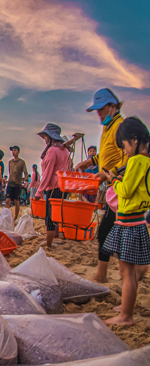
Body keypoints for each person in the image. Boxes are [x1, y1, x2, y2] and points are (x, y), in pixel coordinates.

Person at [101, 117, 150, 326]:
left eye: (126, 146)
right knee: (130, 271)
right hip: (138, 221)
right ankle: (126, 305)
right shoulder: (146, 162)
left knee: (126, 272)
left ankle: (126, 316)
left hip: (128, 223)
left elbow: (127, 191)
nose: (125, 152)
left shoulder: (137, 161)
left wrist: (113, 180)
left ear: (135, 140)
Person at [82, 88, 127, 283]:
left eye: (101, 109)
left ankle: (102, 275)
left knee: (108, 231)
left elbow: (129, 158)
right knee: (111, 231)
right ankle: (105, 274)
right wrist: (89, 162)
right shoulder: (108, 128)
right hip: (112, 188)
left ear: (113, 106)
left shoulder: (122, 126)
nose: (98, 113)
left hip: (122, 188)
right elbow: (106, 154)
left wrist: (109, 175)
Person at [34, 123, 71, 248]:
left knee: (50, 217)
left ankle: (49, 244)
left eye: (45, 137)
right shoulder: (65, 150)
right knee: (57, 214)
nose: (44, 140)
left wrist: (39, 192)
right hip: (63, 186)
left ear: (50, 137)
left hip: (53, 186)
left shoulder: (52, 151)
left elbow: (48, 173)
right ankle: (54, 237)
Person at [5, 146, 29, 220]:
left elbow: (25, 172)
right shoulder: (10, 162)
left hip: (17, 184)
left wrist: (26, 181)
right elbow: (10, 172)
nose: (13, 152)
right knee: (7, 200)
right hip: (10, 183)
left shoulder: (22, 162)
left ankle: (15, 217)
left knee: (16, 201)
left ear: (18, 151)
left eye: (15, 150)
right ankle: (5, 216)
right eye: (12, 150)